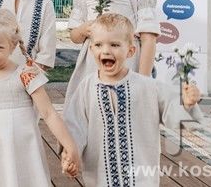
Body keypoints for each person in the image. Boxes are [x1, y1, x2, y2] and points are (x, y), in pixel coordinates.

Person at [64, 13, 203, 187]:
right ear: (91, 49)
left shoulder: (148, 87)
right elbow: (75, 126)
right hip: (100, 179)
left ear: (130, 51)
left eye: (114, 45)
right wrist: (71, 154)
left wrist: (188, 104)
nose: (105, 51)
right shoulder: (86, 87)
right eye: (99, 45)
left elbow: (175, 112)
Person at [0, 8, 78, 186]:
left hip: (24, 150)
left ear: (13, 46)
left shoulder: (25, 75)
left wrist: (69, 145)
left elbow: (49, 113)